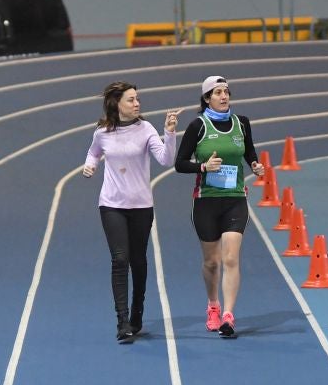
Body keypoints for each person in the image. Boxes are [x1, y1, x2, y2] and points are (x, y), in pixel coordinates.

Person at [84, 81, 178, 344]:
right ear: (117, 103)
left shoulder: (146, 129)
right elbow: (93, 153)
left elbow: (166, 160)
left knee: (138, 260)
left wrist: (169, 134)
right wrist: (89, 166)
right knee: (119, 259)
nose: (137, 104)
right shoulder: (102, 132)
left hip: (141, 206)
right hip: (112, 204)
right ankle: (122, 321)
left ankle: (137, 311)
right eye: (131, 99)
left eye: (137, 99)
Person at [175, 75, 264, 339]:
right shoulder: (197, 126)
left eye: (226, 92)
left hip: (235, 199)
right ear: (206, 98)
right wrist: (202, 167)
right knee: (212, 262)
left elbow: (249, 151)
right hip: (206, 202)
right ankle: (213, 305)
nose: (224, 96)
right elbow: (180, 163)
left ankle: (228, 315)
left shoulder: (242, 123)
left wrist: (256, 166)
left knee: (230, 258)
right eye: (218, 92)